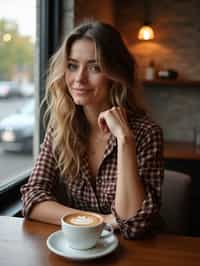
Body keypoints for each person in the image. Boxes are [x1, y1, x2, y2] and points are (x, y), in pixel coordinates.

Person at [21, 20, 164, 239]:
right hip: (80, 248)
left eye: (94, 67)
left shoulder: (146, 133)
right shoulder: (61, 127)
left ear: (115, 74)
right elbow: (32, 198)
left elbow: (133, 224)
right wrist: (98, 220)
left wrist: (125, 139)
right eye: (72, 65)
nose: (79, 79)